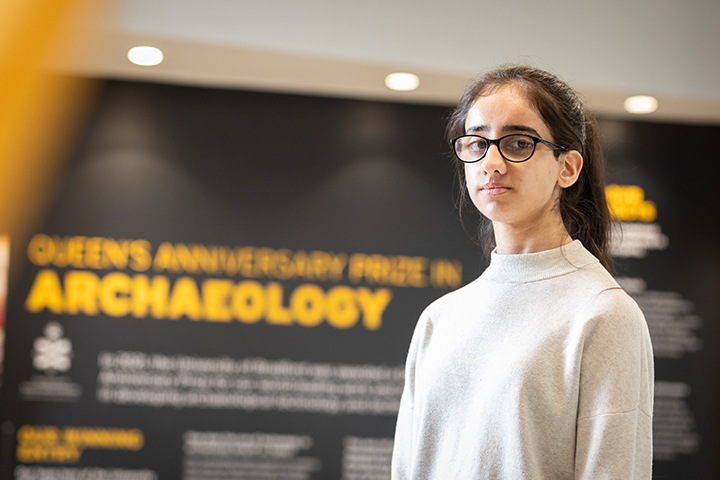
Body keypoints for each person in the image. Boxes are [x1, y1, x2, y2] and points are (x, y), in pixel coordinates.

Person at [391, 65, 654, 479]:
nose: (491, 163)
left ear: (567, 168)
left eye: (517, 143)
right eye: (476, 142)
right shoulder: (438, 319)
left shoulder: (602, 314)